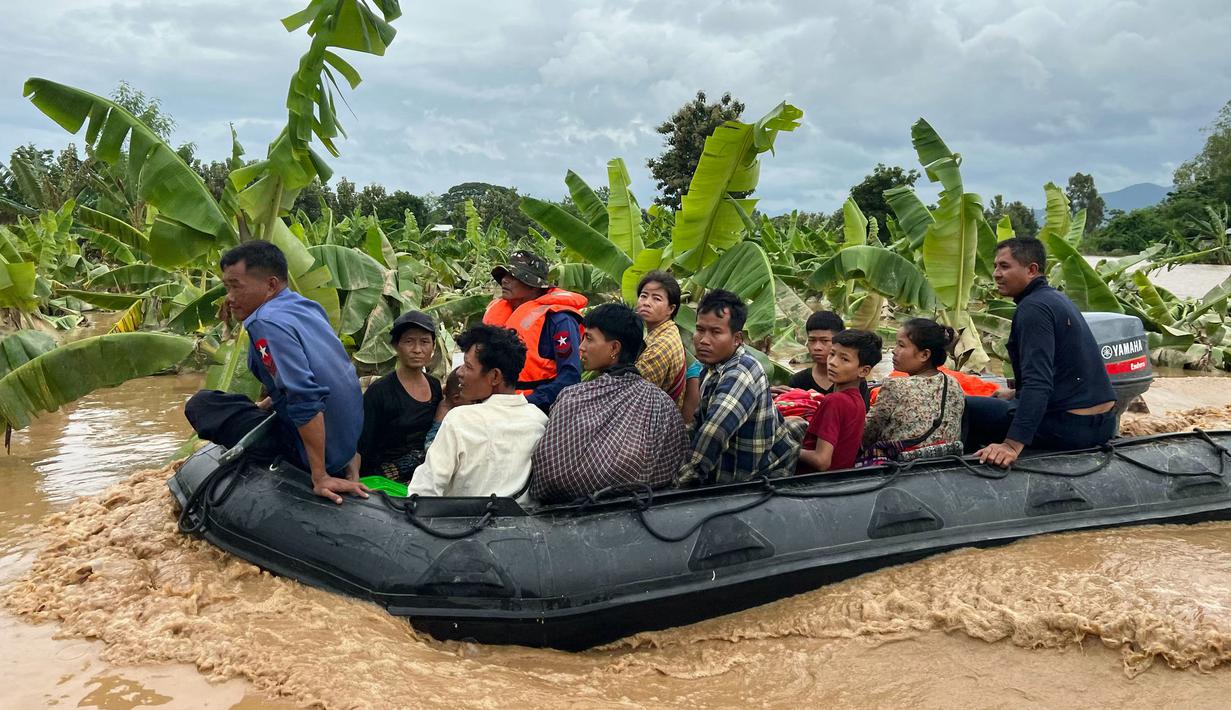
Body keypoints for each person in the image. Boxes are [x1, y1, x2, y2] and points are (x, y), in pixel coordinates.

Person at [184, 241, 368, 504]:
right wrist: (268, 403)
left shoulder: (264, 322)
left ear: (270, 285)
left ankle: (306, 463)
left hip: (322, 451)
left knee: (203, 403)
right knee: (246, 404)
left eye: (236, 286)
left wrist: (320, 475)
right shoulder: (307, 307)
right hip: (346, 442)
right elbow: (313, 372)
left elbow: (304, 399)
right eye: (227, 287)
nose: (230, 298)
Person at [967, 238, 1117, 468]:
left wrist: (1011, 445)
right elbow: (1062, 370)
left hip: (1071, 427)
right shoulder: (1054, 298)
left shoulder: (1033, 309)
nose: (996, 274)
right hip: (1102, 424)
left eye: (1005, 266)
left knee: (966, 407)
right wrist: (1016, 392)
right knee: (997, 401)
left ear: (1031, 270)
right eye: (996, 266)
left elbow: (1039, 382)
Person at [532, 304, 689, 504]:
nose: (581, 347)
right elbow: (675, 467)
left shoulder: (574, 398)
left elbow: (550, 475)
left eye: (589, 338)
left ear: (614, 348)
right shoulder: (664, 404)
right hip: (647, 511)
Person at [407, 324, 548, 500]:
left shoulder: (460, 420)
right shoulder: (540, 420)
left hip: (461, 524)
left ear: (495, 377)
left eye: (467, 366)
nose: (459, 372)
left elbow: (422, 493)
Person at [676, 290, 798, 486]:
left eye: (716, 332)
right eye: (700, 329)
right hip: (728, 470)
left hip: (757, 478)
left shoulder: (741, 372)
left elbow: (713, 433)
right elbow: (699, 422)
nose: (703, 340)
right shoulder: (710, 369)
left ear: (737, 338)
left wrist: (678, 485)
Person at [482, 250, 587, 412]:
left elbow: (570, 376)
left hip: (536, 409)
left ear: (534, 285)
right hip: (492, 405)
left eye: (513, 276)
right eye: (504, 275)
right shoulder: (498, 312)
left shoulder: (560, 319)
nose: (504, 280)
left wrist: (527, 403)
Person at [355, 310, 441, 482]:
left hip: (425, 476)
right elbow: (361, 446)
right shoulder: (380, 392)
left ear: (433, 346)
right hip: (385, 479)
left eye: (424, 342)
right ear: (395, 346)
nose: (417, 350)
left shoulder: (435, 385)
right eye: (409, 341)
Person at [862, 318, 965, 462]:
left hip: (899, 464)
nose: (894, 351)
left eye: (901, 345)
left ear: (924, 355)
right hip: (945, 462)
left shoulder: (895, 386)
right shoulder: (954, 383)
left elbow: (866, 435)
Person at [798, 329, 882, 473]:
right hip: (839, 480)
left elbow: (822, 461)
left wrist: (789, 449)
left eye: (844, 359)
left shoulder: (834, 401)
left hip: (813, 482)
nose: (832, 362)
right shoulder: (859, 402)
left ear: (863, 371)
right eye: (832, 354)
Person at [773, 310, 871, 407]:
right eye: (812, 340)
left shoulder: (854, 380)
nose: (817, 347)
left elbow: (861, 416)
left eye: (824, 340)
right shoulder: (799, 381)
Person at [634, 270, 688, 406]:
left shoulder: (661, 345)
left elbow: (631, 394)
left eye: (656, 299)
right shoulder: (666, 331)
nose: (646, 303)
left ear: (671, 309)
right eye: (644, 296)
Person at [424, 367, 476, 450]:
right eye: (474, 402)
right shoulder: (444, 411)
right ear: (456, 398)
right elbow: (430, 444)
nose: (476, 405)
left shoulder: (452, 401)